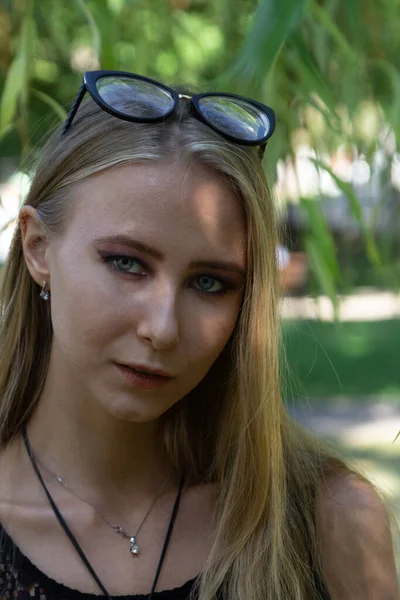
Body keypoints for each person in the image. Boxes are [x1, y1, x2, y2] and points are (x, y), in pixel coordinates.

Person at [0, 70, 398, 600]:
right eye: (127, 263)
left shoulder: (327, 522)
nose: (162, 329)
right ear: (38, 248)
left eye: (210, 283)